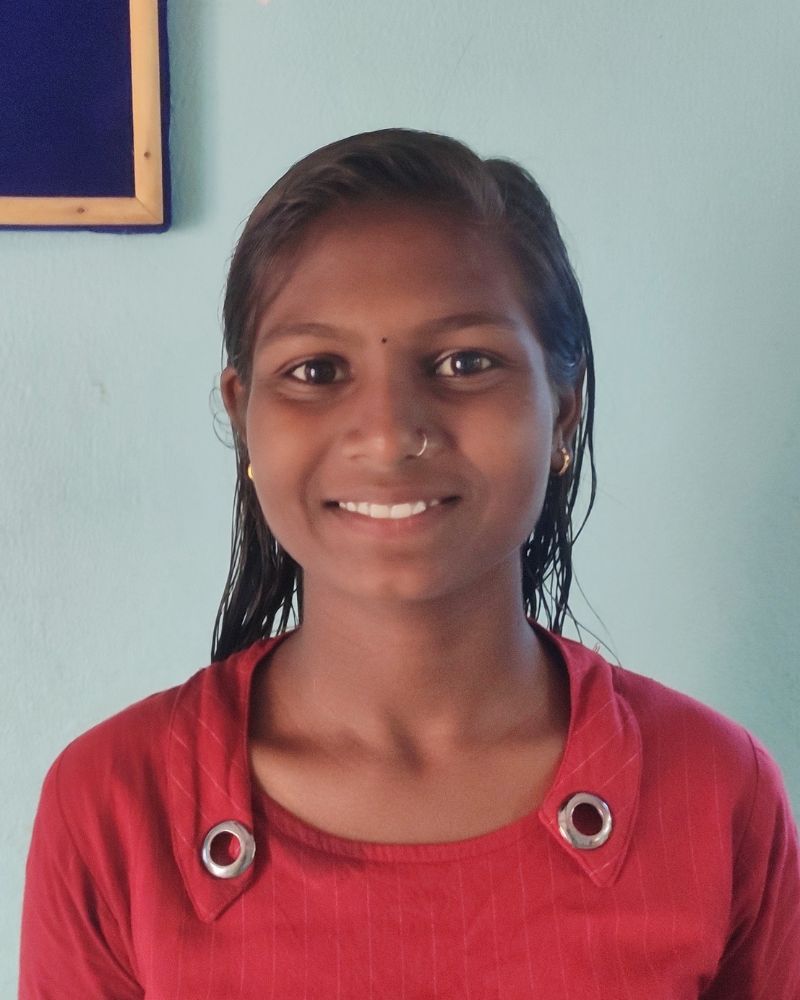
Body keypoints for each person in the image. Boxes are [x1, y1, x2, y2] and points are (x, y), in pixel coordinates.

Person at [19, 128, 800, 998]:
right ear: (243, 417)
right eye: (317, 370)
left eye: (466, 362)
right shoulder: (113, 805)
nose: (390, 435)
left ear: (563, 411)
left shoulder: (716, 791)